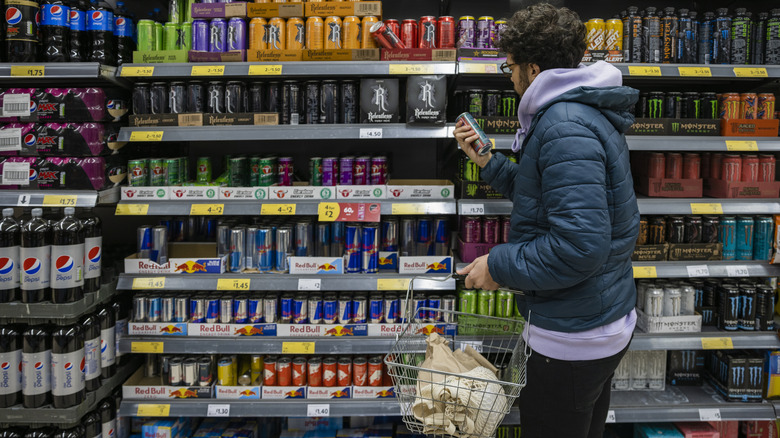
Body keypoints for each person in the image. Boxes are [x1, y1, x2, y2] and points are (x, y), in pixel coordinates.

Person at [453, 4, 640, 438]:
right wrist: (488, 161)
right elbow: (550, 197)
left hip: (575, 336)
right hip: (593, 318)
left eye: (511, 66)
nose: (510, 76)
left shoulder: (563, 124)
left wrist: (497, 266)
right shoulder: (575, 112)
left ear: (533, 68)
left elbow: (579, 247)